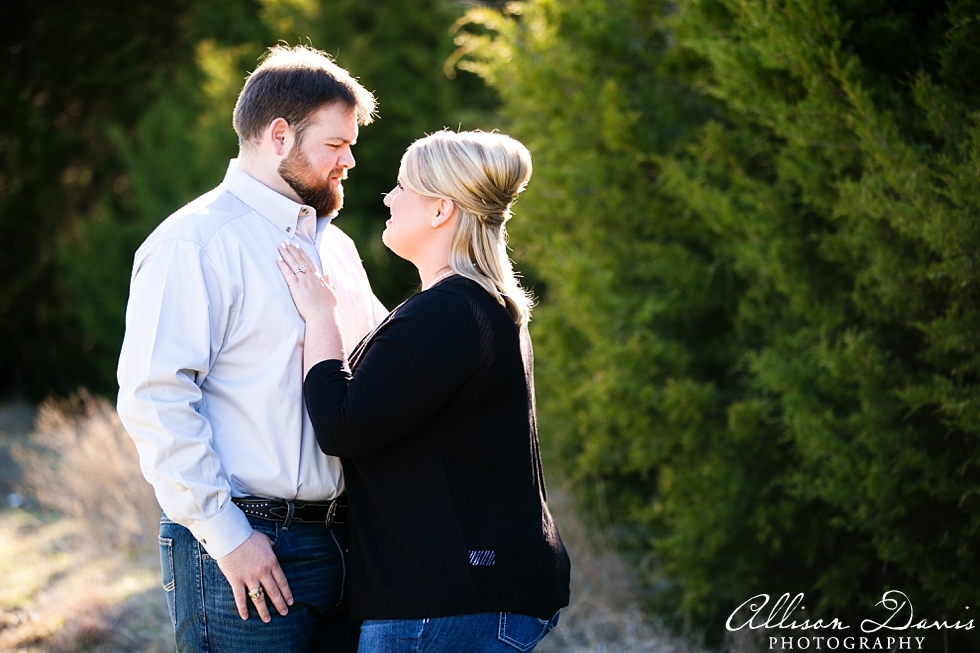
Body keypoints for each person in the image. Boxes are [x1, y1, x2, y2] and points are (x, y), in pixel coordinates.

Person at [116, 45, 386, 653]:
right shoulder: (195, 242)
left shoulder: (335, 249)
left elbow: (373, 375)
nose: (348, 163)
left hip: (347, 543)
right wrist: (226, 534)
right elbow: (154, 398)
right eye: (335, 146)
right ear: (280, 135)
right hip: (245, 546)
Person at [276, 130, 571, 653]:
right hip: (466, 597)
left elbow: (343, 424)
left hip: (449, 605)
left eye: (400, 186)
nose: (387, 198)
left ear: (440, 210)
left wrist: (320, 317)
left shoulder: (449, 311)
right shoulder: (474, 305)